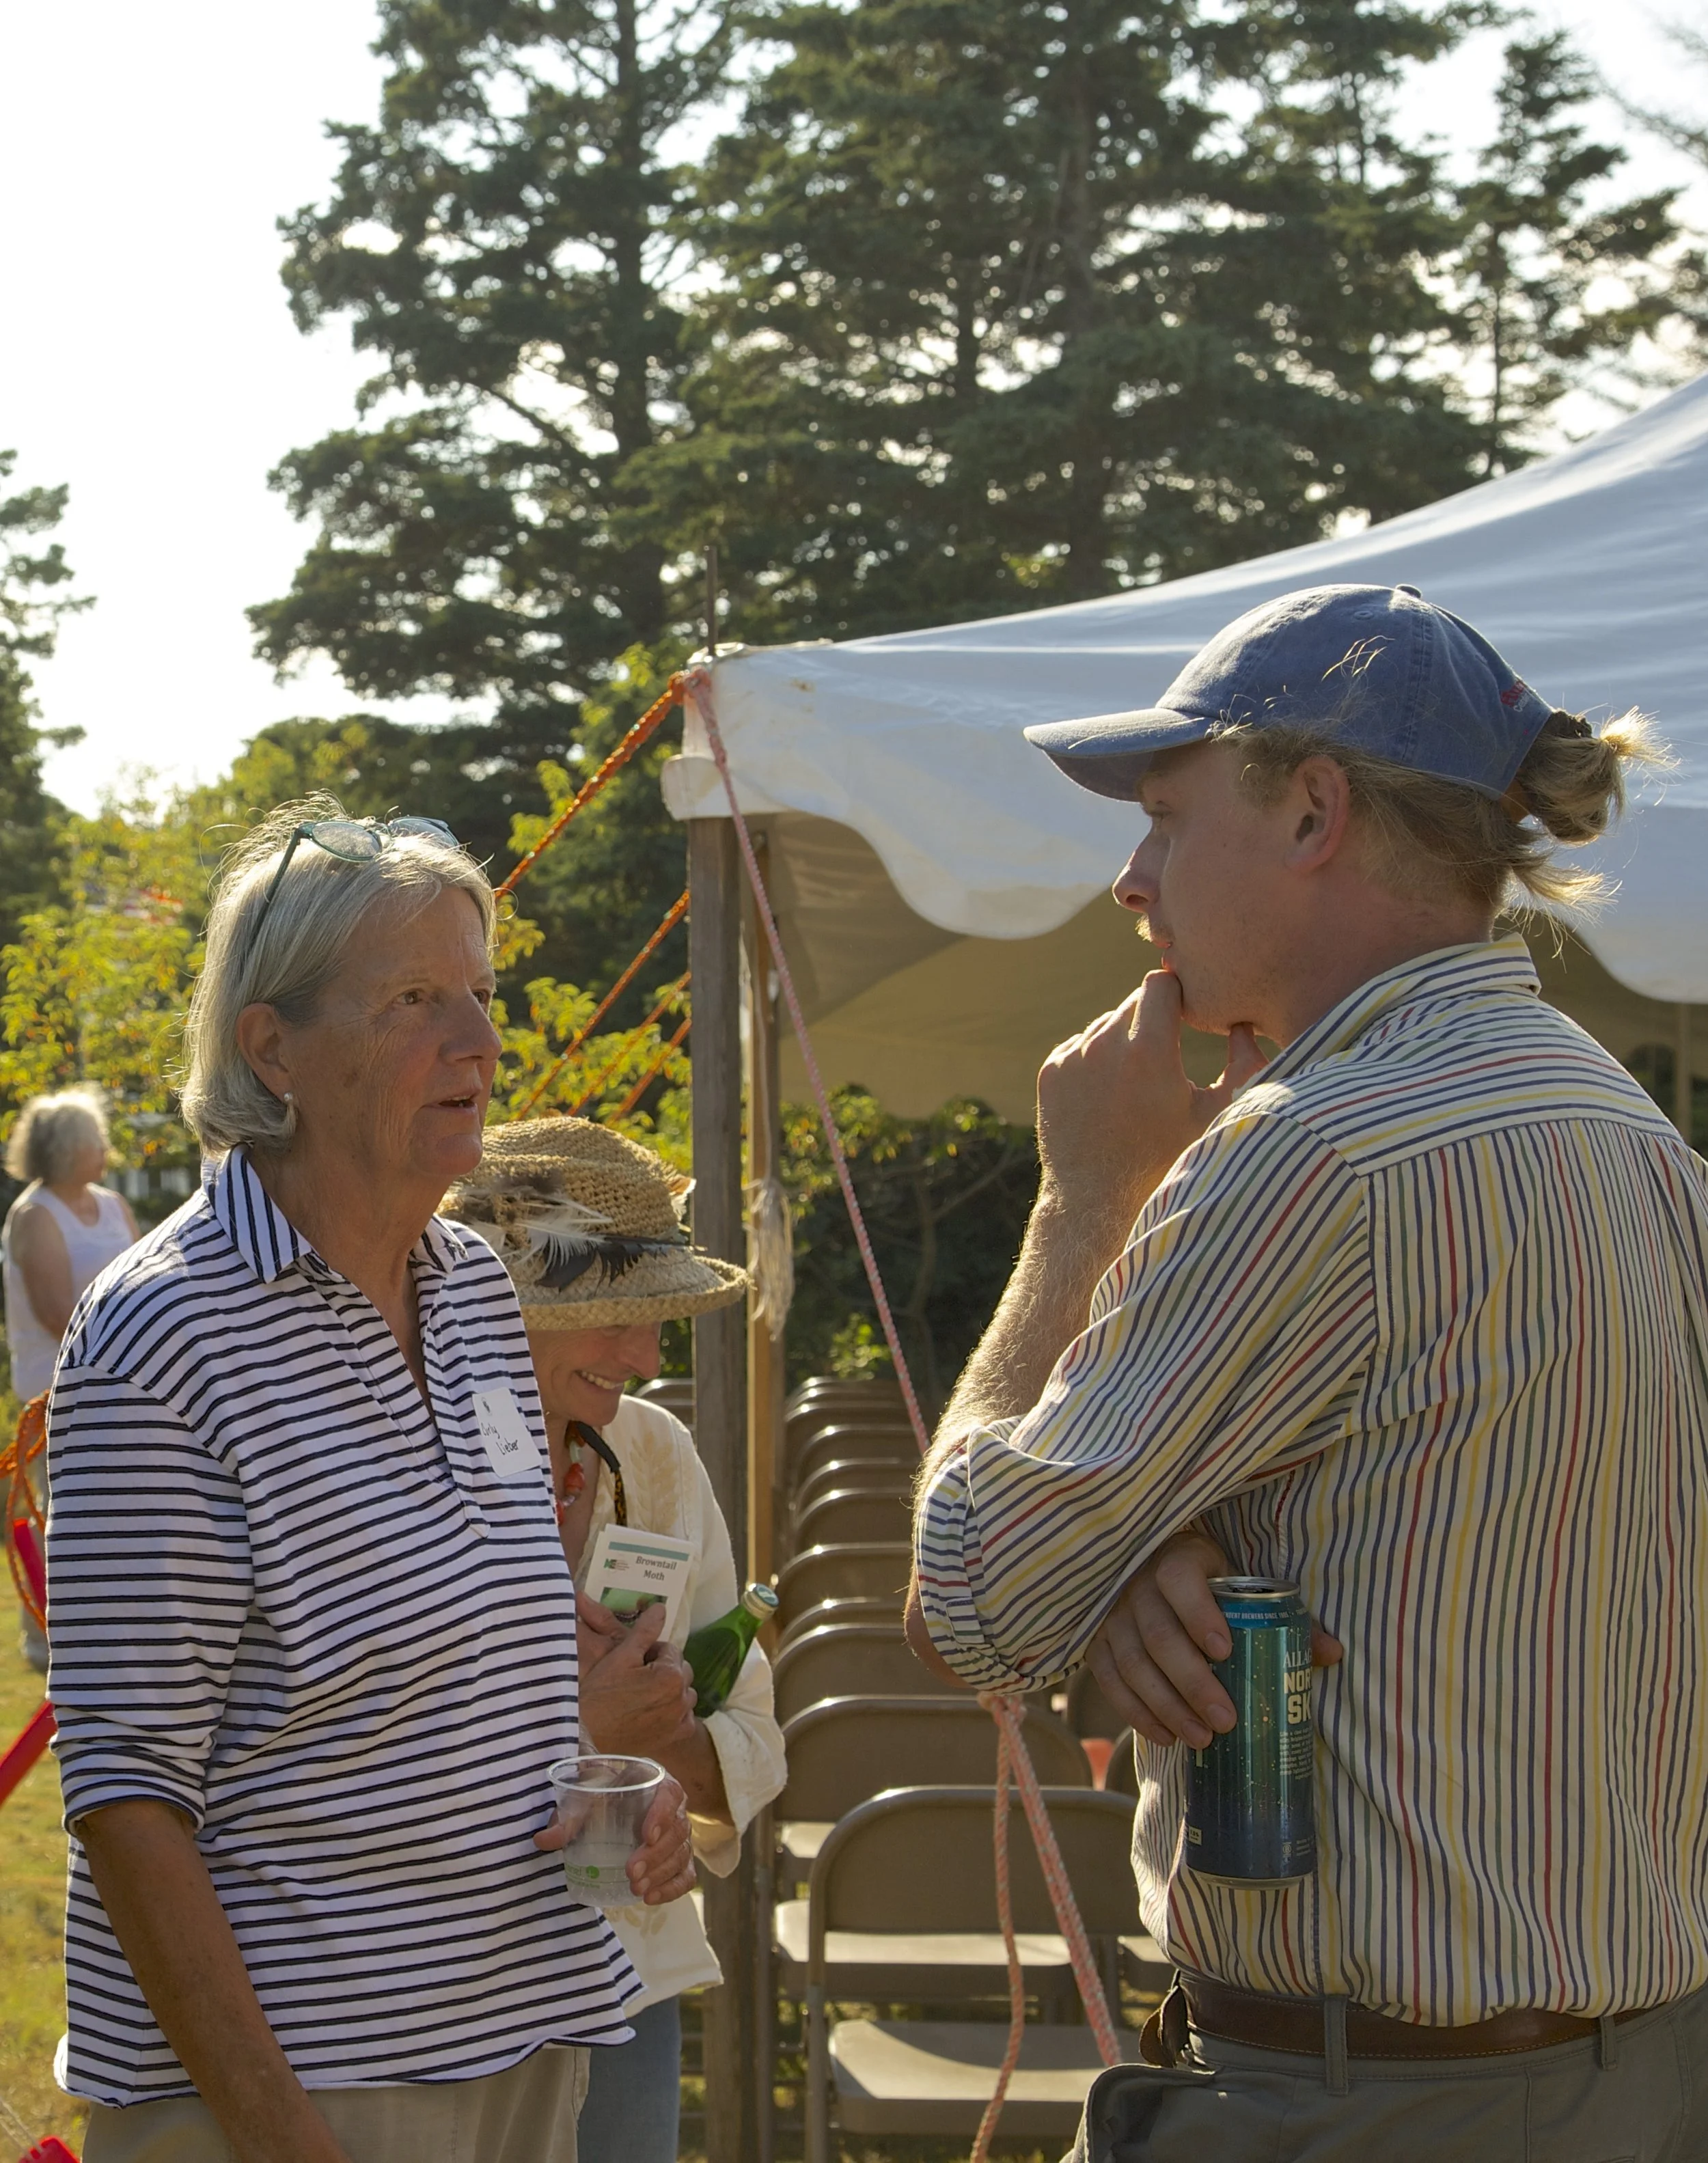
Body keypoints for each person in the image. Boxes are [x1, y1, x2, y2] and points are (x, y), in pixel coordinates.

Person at [906, 584, 1708, 2162]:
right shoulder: (1647, 1147)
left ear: (1314, 812)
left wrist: (1082, 1203)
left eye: (1165, 815)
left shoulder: (1311, 1154)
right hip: (1631, 2080)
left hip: (1366, 2101)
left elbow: (978, 1600)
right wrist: (1155, 1540)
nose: (1132, 879)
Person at [45, 801, 695, 2163]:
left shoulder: (469, 1292)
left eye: (480, 990)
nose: (478, 1040)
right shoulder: (161, 1333)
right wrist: (283, 2138)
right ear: (271, 1046)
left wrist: (608, 1797)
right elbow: (126, 1789)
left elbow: (488, 1664)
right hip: (294, 2095)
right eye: (414, 998)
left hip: (522, 2038)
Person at [440, 1115, 787, 2163]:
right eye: (608, 1315)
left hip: (622, 1974)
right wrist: (585, 1724)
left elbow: (744, 1752)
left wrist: (663, 1767)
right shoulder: (394, 1452)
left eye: (655, 1316)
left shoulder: (655, 1451)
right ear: (492, 1306)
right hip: (439, 1991)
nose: (644, 1353)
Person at [3, 1087, 137, 1669]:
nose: (105, 1149)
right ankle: (50, 1647)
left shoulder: (112, 1205)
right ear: (64, 1150)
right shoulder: (35, 1216)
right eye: (93, 1141)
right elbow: (60, 1314)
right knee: (60, 1520)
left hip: (121, 1387)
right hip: (56, 1396)